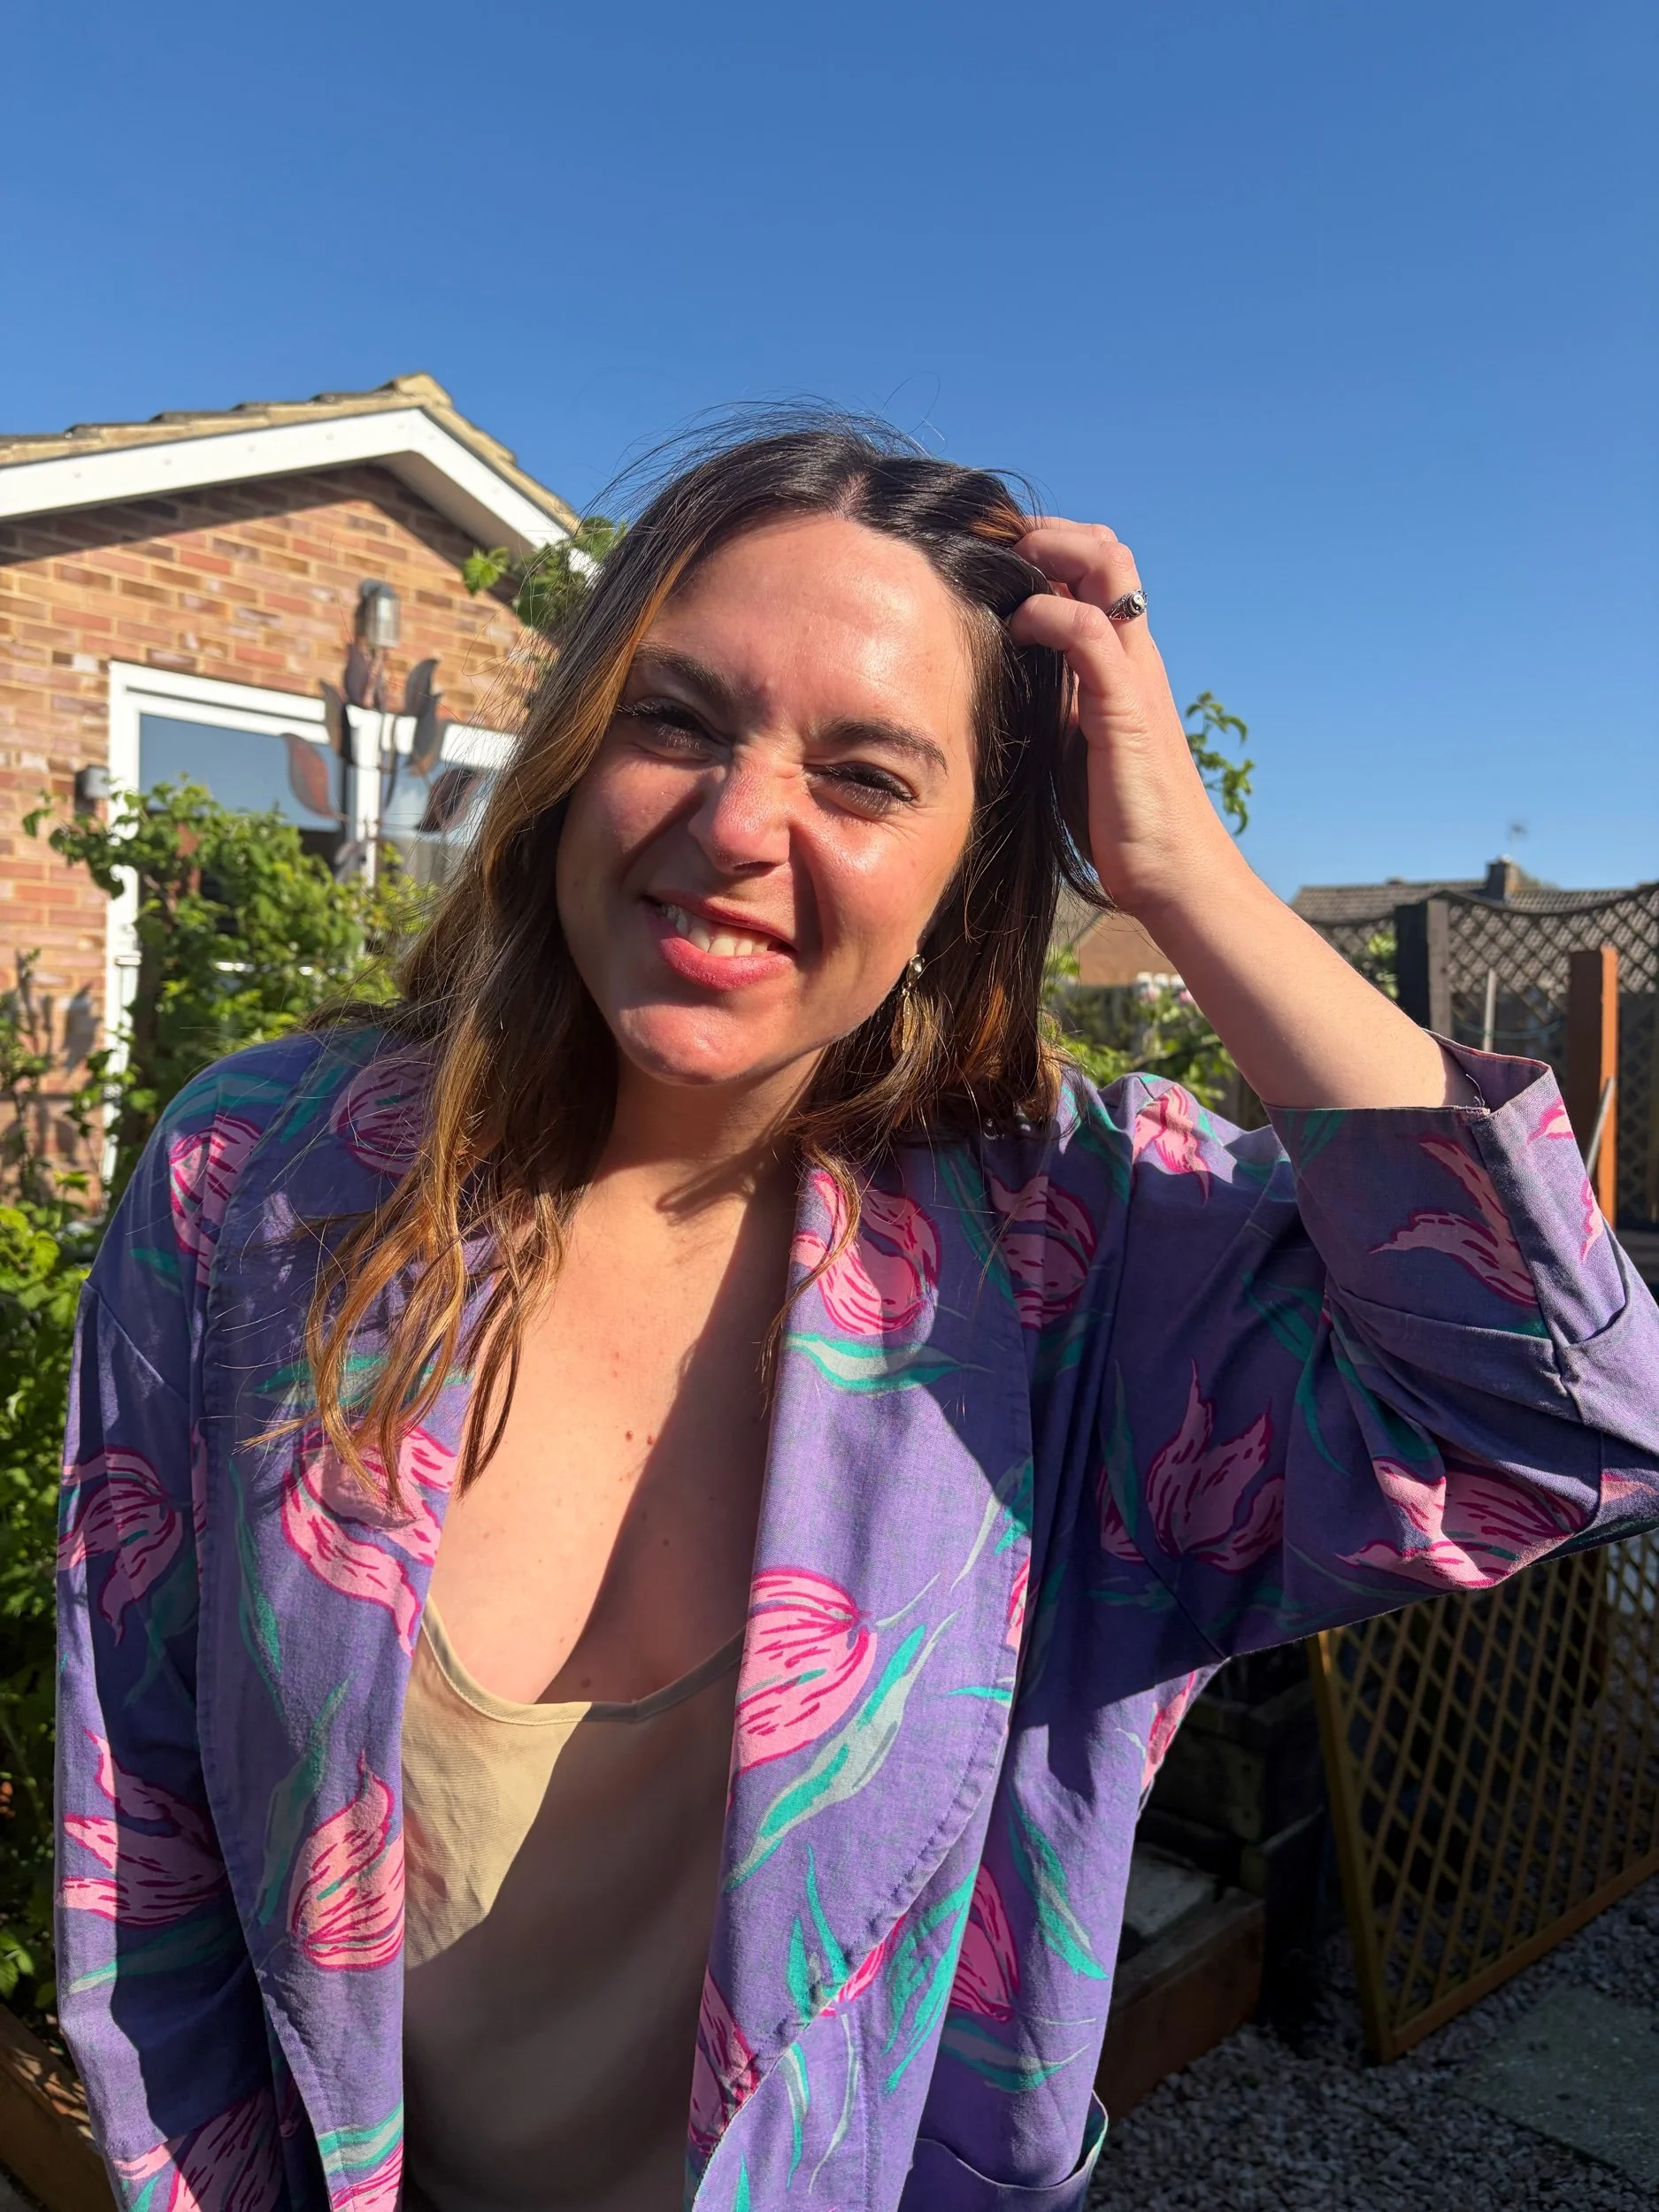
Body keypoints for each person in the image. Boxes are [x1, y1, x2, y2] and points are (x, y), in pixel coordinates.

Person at [57, 420, 1659, 2212]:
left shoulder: (1078, 1259)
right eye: (676, 718)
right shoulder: (263, 1184)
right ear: (575, 751)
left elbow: (1550, 1416)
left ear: (974, 862)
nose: (738, 824)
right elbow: (146, 1821)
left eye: (867, 775)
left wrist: (1183, 877)